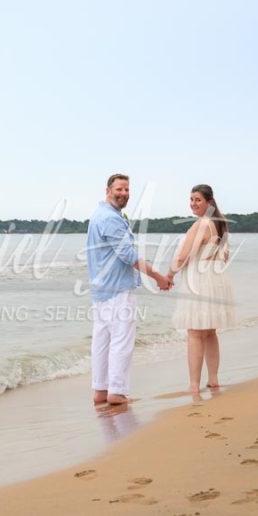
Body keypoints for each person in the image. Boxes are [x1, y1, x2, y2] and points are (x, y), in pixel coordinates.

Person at [87, 173, 172, 406]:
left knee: (102, 340)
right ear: (107, 190)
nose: (124, 194)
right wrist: (158, 277)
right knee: (121, 340)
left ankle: (101, 390)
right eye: (119, 189)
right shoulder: (110, 218)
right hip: (116, 289)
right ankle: (117, 391)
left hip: (101, 290)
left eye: (126, 190)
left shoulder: (99, 215)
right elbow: (129, 256)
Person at [168, 184, 236, 394]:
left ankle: (194, 385)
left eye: (197, 199)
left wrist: (170, 275)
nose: (193, 203)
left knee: (195, 333)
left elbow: (183, 256)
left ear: (208, 202)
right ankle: (213, 379)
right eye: (191, 199)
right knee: (209, 332)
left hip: (199, 281)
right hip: (215, 279)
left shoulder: (201, 224)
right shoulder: (219, 224)